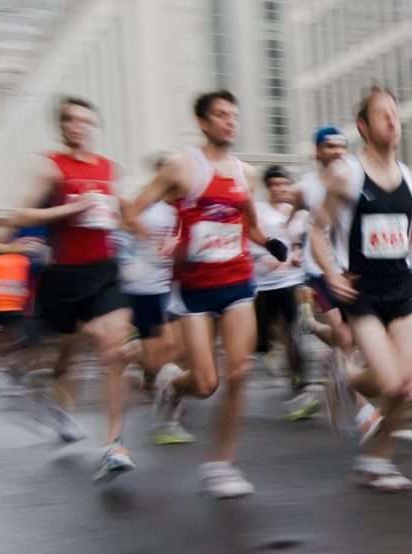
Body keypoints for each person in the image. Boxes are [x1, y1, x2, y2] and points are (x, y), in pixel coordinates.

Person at [132, 90, 288, 499]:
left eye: (233, 115)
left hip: (237, 282)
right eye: (220, 114)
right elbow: (131, 209)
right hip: (194, 290)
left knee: (239, 373)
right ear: (202, 122)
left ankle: (221, 464)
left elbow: (249, 225)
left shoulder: (245, 173)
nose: (229, 121)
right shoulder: (182, 166)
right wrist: (157, 242)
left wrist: (270, 243)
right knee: (205, 384)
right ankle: (173, 385)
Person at [310, 86, 412, 491]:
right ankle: (347, 376)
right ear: (363, 127)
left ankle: (377, 461)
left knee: (406, 386)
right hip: (363, 295)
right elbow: (316, 230)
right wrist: (332, 273)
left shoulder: (410, 178)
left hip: (401, 291)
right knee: (390, 384)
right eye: (382, 114)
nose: (392, 120)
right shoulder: (347, 174)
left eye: (395, 113)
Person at [0, 96, 138, 480]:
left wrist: (135, 227)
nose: (79, 127)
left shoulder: (109, 168)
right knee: (64, 353)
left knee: (116, 351)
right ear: (62, 126)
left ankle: (114, 445)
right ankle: (57, 403)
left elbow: (122, 215)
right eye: (72, 121)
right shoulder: (50, 167)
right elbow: (19, 214)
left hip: (104, 272)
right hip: (64, 276)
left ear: (95, 127)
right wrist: (70, 209)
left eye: (86, 121)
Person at [296, 126, 383, 443]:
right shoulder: (305, 186)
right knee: (344, 336)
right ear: (317, 150)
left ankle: (333, 369)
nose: (336, 151)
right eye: (329, 146)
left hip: (350, 268)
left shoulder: (353, 177)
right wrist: (288, 245)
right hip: (319, 269)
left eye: (341, 146)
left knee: (352, 339)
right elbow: (291, 217)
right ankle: (363, 410)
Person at [114, 156, 192, 444]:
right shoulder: (151, 208)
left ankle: (168, 414)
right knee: (157, 357)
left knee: (177, 348)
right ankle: (136, 359)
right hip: (144, 288)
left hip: (172, 288)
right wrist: (139, 245)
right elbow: (123, 228)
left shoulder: (185, 208)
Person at [251, 165, 320, 421]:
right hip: (262, 284)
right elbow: (250, 238)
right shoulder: (258, 211)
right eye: (275, 185)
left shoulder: (296, 213)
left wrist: (299, 254)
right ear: (267, 187)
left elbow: (302, 242)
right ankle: (272, 352)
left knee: (294, 332)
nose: (280, 189)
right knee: (265, 339)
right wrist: (264, 258)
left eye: (284, 184)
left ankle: (301, 385)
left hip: (291, 281)